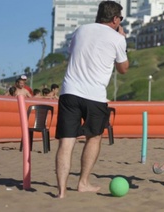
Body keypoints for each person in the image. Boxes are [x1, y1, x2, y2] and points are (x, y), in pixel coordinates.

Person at [55, 0, 129, 198]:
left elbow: (72, 55)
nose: (120, 22)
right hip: (94, 95)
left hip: (70, 91)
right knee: (94, 137)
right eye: (120, 18)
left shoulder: (81, 30)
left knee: (66, 141)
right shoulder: (117, 38)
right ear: (115, 19)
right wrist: (122, 39)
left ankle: (61, 191)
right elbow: (123, 69)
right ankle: (83, 182)